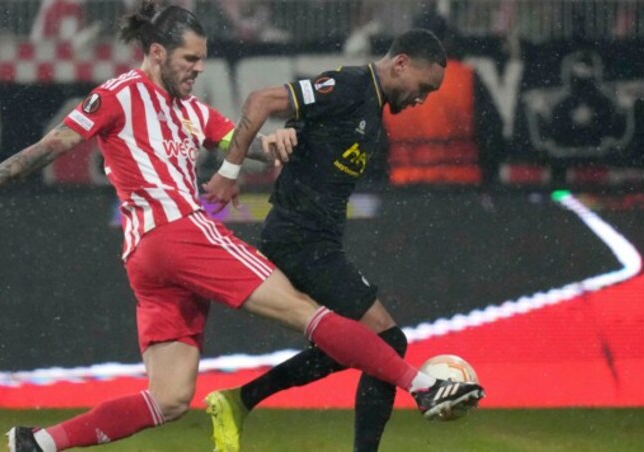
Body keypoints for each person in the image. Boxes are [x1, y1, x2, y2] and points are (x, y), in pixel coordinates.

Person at [0, 3, 483, 451]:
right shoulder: (117, 95)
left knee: (169, 399)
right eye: (189, 60)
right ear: (157, 51)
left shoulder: (190, 110)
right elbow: (50, 146)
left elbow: (250, 143)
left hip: (146, 261)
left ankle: (37, 443)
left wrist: (275, 144)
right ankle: (423, 385)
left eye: (202, 61)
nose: (197, 70)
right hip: (177, 230)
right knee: (307, 313)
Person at [203, 29, 478, 452]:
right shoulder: (350, 86)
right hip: (299, 238)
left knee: (357, 347)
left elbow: (304, 131)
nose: (423, 99)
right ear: (401, 63)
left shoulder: (369, 106)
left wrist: (291, 134)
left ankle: (239, 401)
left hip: (317, 240)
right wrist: (229, 172)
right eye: (424, 88)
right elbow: (261, 101)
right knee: (388, 342)